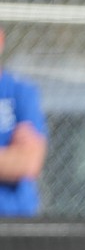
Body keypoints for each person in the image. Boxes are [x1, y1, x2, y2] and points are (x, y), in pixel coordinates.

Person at [0, 27, 48, 217]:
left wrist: (19, 159)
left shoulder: (21, 93)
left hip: (14, 223)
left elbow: (29, 162)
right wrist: (9, 156)